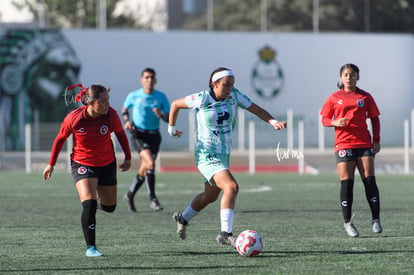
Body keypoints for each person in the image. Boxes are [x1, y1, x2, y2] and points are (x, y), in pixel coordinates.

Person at [168, 67, 286, 247]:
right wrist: (172, 128)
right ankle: (226, 234)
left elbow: (256, 109)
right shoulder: (202, 98)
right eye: (226, 84)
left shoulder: (234, 95)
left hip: (223, 154)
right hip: (206, 153)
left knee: (210, 196)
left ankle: (183, 218)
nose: (230, 87)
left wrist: (273, 121)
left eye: (232, 84)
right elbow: (175, 104)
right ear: (214, 84)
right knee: (231, 186)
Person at [43, 84, 131, 257]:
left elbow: (120, 134)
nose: (107, 105)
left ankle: (92, 203)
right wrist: (51, 164)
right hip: (82, 164)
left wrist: (128, 157)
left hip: (106, 163)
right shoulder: (74, 118)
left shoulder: (111, 115)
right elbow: (60, 138)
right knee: (89, 204)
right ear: (91, 103)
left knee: (110, 207)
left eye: (108, 100)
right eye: (103, 101)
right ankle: (91, 248)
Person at [320, 63, 382, 237]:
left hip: (363, 144)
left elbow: (375, 119)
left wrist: (376, 140)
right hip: (343, 144)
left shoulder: (365, 97)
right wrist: (334, 122)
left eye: (352, 74)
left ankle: (375, 220)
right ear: (341, 78)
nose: (349, 77)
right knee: (347, 184)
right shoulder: (334, 97)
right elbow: (324, 118)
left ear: (358, 77)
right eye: (346, 75)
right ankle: (348, 223)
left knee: (369, 180)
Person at [122, 68, 170, 212]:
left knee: (145, 169)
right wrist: (127, 120)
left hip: (154, 136)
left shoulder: (161, 97)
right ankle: (153, 199)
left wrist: (161, 115)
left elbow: (168, 118)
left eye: (151, 78)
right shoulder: (134, 95)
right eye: (146, 77)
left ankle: (129, 195)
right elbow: (125, 109)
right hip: (138, 134)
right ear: (142, 80)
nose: (149, 80)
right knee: (150, 163)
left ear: (155, 80)